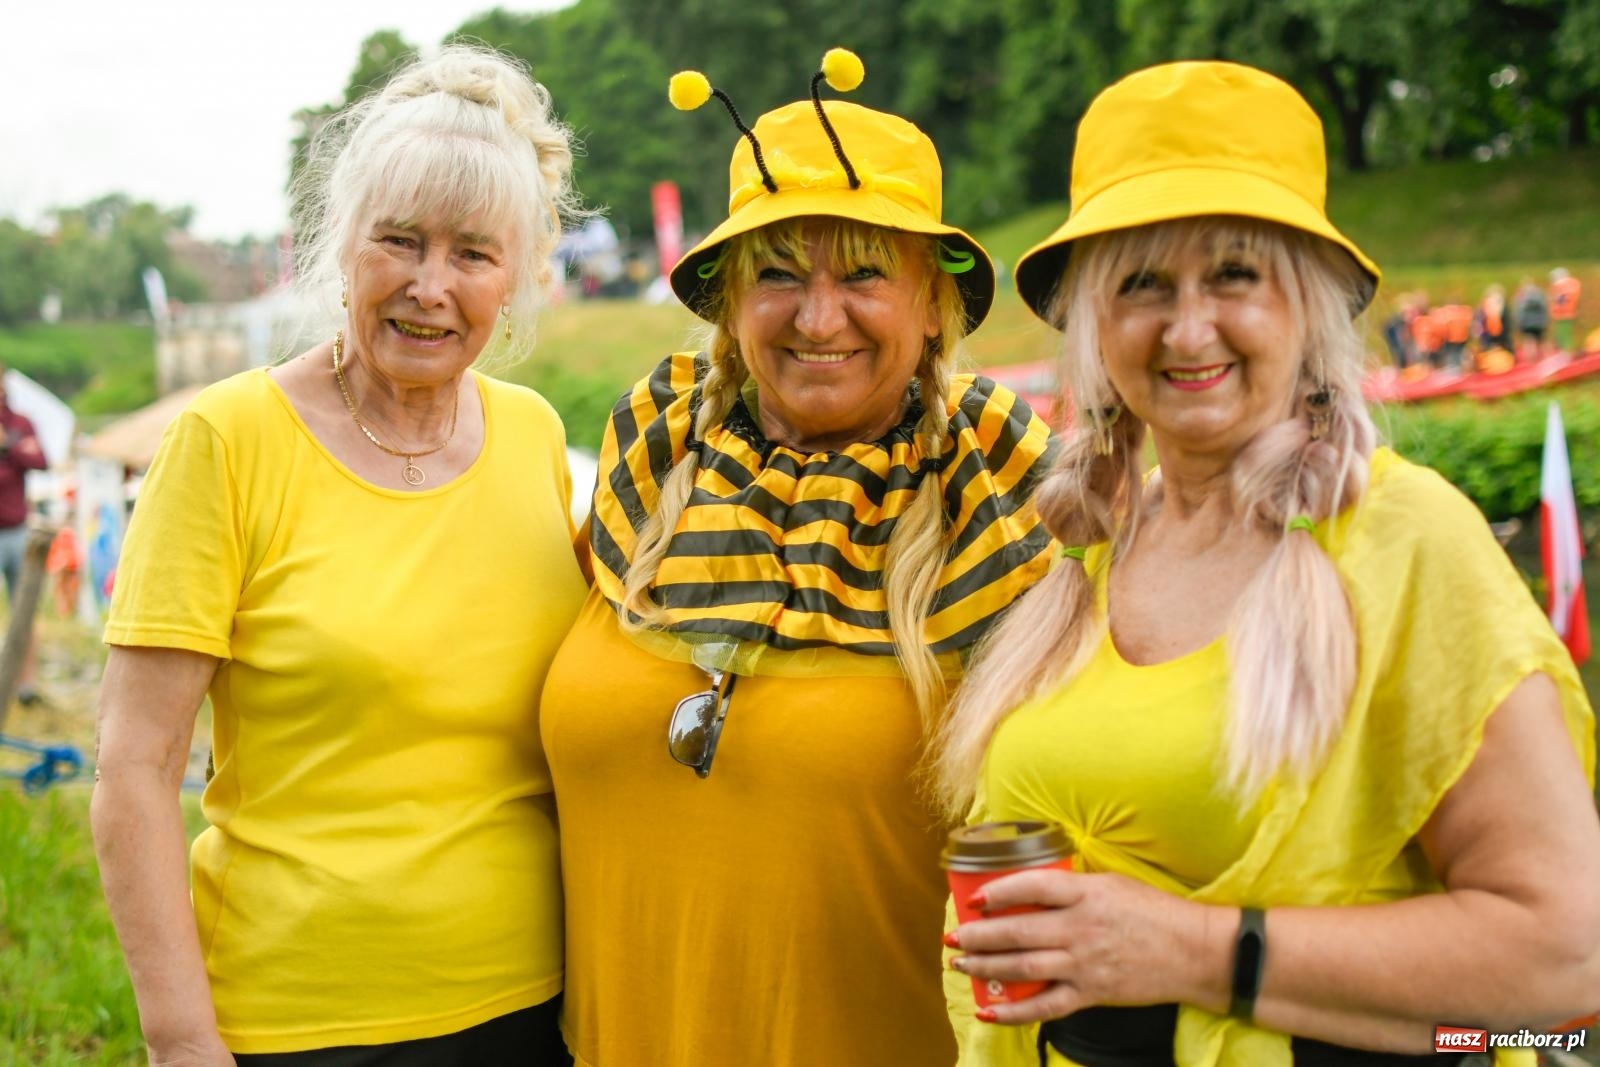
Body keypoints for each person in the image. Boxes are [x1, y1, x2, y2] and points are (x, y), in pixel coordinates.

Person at [935, 61, 1599, 1066]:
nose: (1188, 327)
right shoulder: (1090, 554)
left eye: (1234, 275)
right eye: (1142, 283)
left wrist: (1200, 951)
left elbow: (1565, 971)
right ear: (1090, 321)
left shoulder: (1405, 539)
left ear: (1309, 302)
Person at [539, 49, 1056, 1067]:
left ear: (931, 301)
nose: (819, 317)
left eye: (864, 271)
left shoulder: (1001, 504)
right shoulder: (647, 464)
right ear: (728, 297)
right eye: (777, 272)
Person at [92, 45, 585, 1065]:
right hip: (293, 1020)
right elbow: (134, 767)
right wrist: (182, 1037)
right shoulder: (227, 440)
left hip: (532, 1002)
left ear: (520, 277)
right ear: (338, 245)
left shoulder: (535, 434)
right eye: (397, 241)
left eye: (471, 254)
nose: (428, 286)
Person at [0, 364, 47, 704]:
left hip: (18, 531)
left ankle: (26, 686)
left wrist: (7, 448)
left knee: (24, 612)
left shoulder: (19, 423)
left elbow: (40, 459)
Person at [1515, 277, 1550, 358]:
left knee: (1531, 341)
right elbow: (1544, 308)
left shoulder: (1522, 297)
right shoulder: (1540, 295)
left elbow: (1519, 312)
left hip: (1528, 324)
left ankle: (1532, 359)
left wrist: (1520, 323)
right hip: (1539, 323)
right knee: (1541, 341)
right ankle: (1546, 357)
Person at [1549, 267, 1581, 353]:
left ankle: (1567, 353)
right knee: (1564, 335)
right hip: (1565, 315)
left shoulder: (1563, 287)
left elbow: (1560, 301)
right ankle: (1567, 352)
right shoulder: (1571, 285)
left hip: (1563, 316)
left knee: (1564, 336)